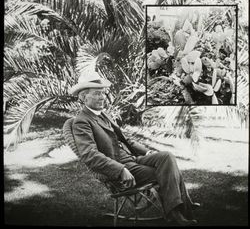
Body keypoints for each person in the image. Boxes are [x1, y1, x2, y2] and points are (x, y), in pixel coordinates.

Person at [69, 72, 200, 226]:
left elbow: (126, 139)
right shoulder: (82, 122)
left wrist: (146, 152)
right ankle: (177, 213)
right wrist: (120, 169)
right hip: (122, 168)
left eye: (103, 93)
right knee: (167, 171)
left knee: (167, 157)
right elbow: (89, 155)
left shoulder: (104, 115)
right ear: (84, 97)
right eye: (97, 93)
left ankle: (179, 208)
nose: (103, 97)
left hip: (132, 159)